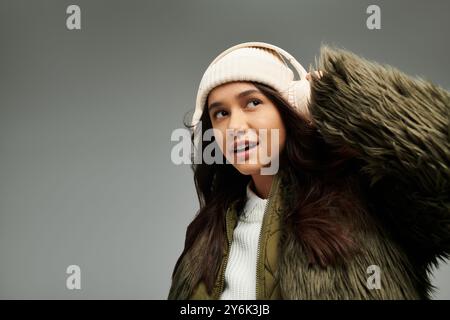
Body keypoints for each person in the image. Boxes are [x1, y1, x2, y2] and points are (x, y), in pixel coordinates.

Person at [168, 42, 449, 299]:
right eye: (221, 113)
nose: (235, 127)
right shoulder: (206, 235)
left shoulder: (364, 200)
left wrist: (336, 95)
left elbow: (439, 155)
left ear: (290, 108)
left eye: (253, 103)